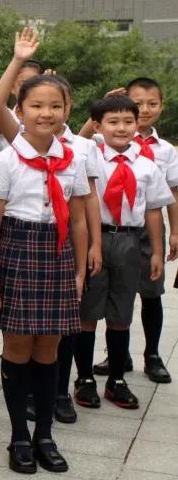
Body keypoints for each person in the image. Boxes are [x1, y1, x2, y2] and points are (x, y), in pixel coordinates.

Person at [0, 69, 90, 475]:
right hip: (17, 251)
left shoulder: (73, 160)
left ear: (67, 110)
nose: (46, 113)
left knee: (49, 349)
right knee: (17, 347)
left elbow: (78, 220)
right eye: (37, 105)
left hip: (57, 254)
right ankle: (18, 437)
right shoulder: (4, 161)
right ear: (21, 110)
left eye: (55, 106)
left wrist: (78, 273)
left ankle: (45, 434)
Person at [72, 95, 172, 411]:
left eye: (129, 121)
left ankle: (116, 379)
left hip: (130, 241)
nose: (122, 128)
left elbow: (153, 210)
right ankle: (84, 378)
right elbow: (74, 140)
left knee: (121, 314)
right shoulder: (90, 158)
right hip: (96, 238)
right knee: (87, 313)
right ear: (98, 126)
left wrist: (155, 252)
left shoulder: (146, 165)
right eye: (113, 122)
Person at [94, 78, 178, 384]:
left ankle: (152, 355)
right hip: (110, 230)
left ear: (161, 106)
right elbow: (81, 137)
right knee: (116, 294)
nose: (145, 109)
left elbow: (172, 192)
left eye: (152, 103)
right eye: (137, 103)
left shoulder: (165, 150)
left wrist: (174, 232)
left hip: (146, 229)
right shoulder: (100, 143)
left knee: (152, 293)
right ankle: (118, 355)